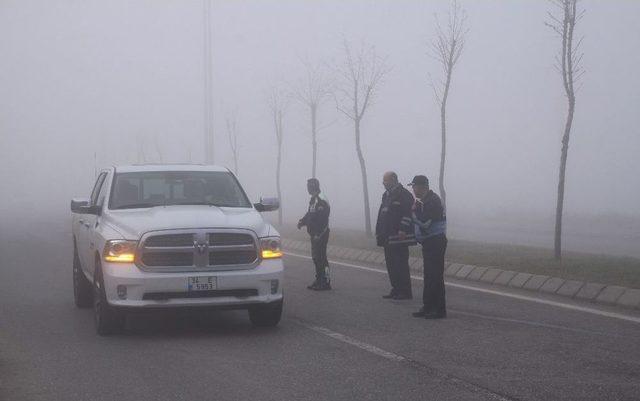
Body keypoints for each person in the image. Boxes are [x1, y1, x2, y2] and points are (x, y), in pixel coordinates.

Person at [408, 175, 448, 319]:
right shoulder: (423, 201)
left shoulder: (433, 201)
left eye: (414, 186)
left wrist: (412, 214)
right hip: (428, 242)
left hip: (436, 241)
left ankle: (438, 309)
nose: (413, 190)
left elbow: (426, 224)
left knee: (435, 276)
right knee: (428, 275)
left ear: (422, 187)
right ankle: (428, 306)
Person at [375, 171, 415, 300]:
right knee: (391, 264)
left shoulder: (404, 195)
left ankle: (405, 291)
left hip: (399, 237)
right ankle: (396, 288)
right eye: (383, 181)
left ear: (393, 180)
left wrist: (403, 229)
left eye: (385, 181)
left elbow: (408, 214)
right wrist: (379, 231)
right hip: (387, 236)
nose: (383, 183)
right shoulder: (386, 196)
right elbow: (382, 214)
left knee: (400, 264)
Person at [297, 178, 331, 291]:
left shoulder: (321, 200)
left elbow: (322, 220)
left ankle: (326, 282)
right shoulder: (313, 199)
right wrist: (302, 222)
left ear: (314, 187)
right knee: (316, 258)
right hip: (313, 234)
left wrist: (318, 234)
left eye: (309, 186)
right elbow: (310, 214)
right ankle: (319, 279)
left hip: (321, 234)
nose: (307, 188)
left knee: (321, 258)